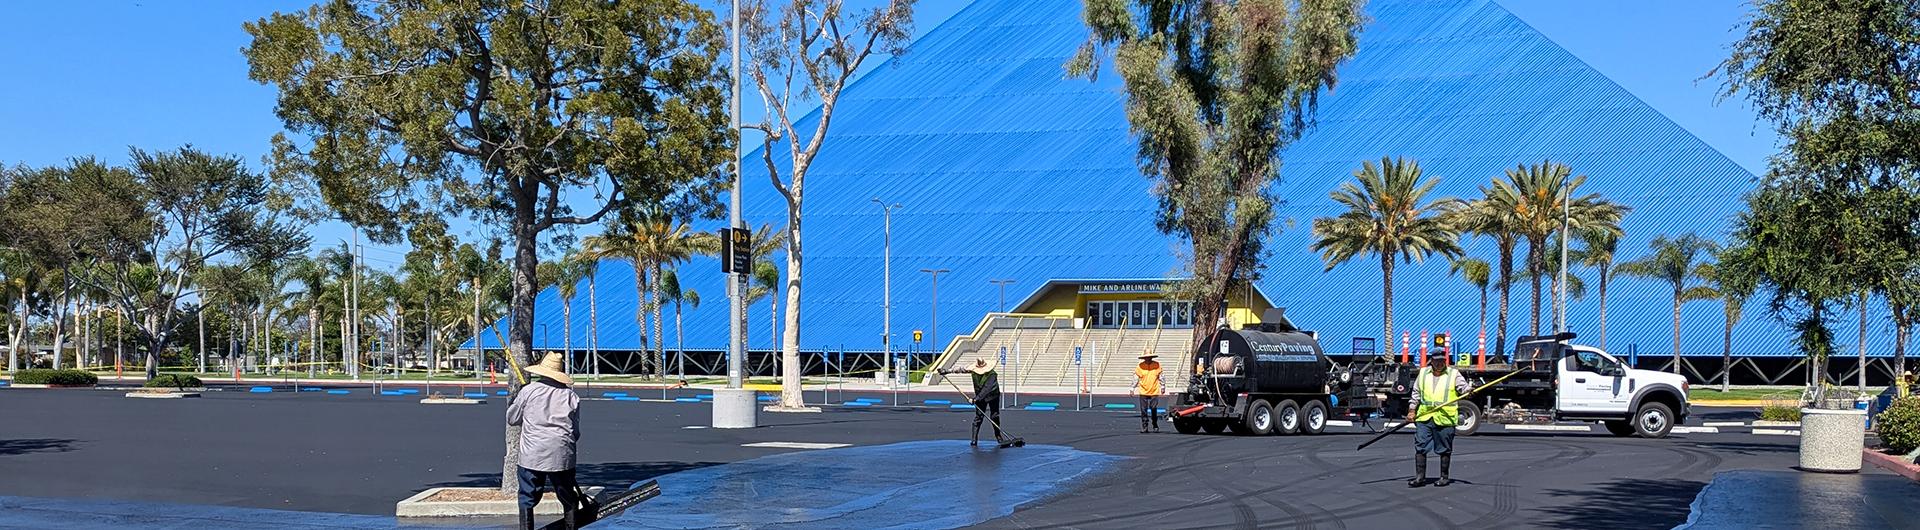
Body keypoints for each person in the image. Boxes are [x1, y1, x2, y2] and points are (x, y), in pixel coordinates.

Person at [508, 352, 583, 529]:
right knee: (567, 495)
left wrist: (518, 401)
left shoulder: (528, 391)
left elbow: (512, 418)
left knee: (527, 497)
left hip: (533, 454)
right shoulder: (571, 396)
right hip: (562, 453)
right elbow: (576, 432)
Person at [1408, 349, 1471, 488]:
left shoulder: (1453, 374)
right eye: (1437, 361)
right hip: (1425, 416)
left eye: (1443, 361)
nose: (1440, 363)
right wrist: (1412, 410)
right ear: (1432, 360)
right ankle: (1420, 477)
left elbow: (1463, 388)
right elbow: (1416, 393)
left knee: (1444, 448)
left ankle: (1444, 477)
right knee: (1421, 445)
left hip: (1445, 417)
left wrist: (1468, 391)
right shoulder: (1423, 373)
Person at [940, 358, 1004, 446]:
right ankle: (974, 439)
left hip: (993, 395)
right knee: (978, 417)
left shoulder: (992, 375)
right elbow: (961, 369)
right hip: (980, 397)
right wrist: (946, 371)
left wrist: (975, 399)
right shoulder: (973, 370)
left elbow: (986, 389)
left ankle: (998, 436)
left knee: (994, 416)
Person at [1134, 353, 1163, 433]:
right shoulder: (1140, 366)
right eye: (1146, 357)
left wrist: (1163, 386)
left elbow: (1160, 376)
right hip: (1143, 390)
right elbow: (1136, 378)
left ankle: (1155, 424)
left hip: (1154, 390)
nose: (1148, 359)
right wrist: (1132, 388)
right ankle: (1145, 426)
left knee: (1153, 408)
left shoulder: (1156, 365)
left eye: (1149, 357)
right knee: (1143, 409)